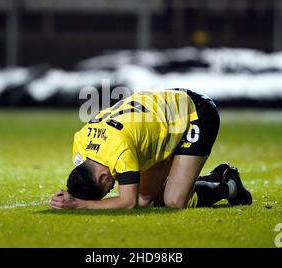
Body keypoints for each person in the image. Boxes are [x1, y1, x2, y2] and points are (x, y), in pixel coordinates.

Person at [50, 88, 252, 210]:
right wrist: (72, 195)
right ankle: (207, 179)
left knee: (174, 201)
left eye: (107, 188)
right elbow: (134, 200)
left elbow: (128, 202)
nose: (111, 188)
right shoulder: (80, 143)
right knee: (146, 200)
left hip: (194, 113)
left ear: (102, 176)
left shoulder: (120, 149)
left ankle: (229, 184)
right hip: (162, 116)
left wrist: (80, 204)